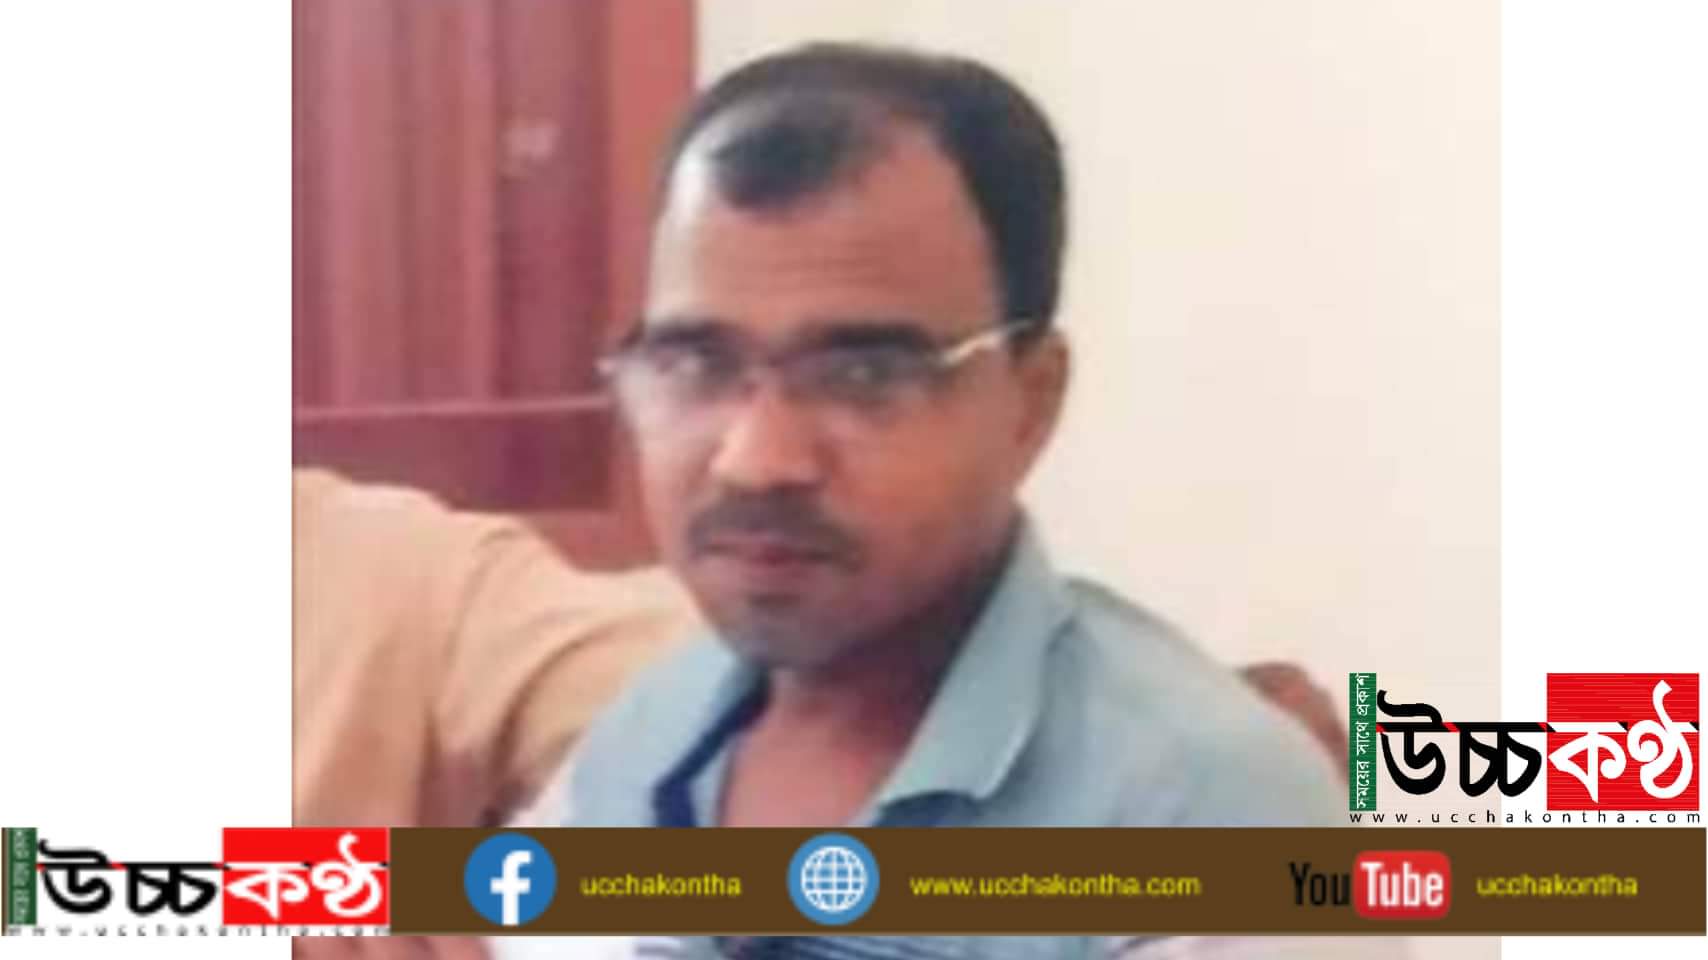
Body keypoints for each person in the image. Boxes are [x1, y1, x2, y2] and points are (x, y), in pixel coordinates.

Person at [554, 43, 1348, 958]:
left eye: (862, 374)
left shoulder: (1206, 812)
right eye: (697, 363)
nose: (756, 460)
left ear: (1031, 401)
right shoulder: (647, 738)